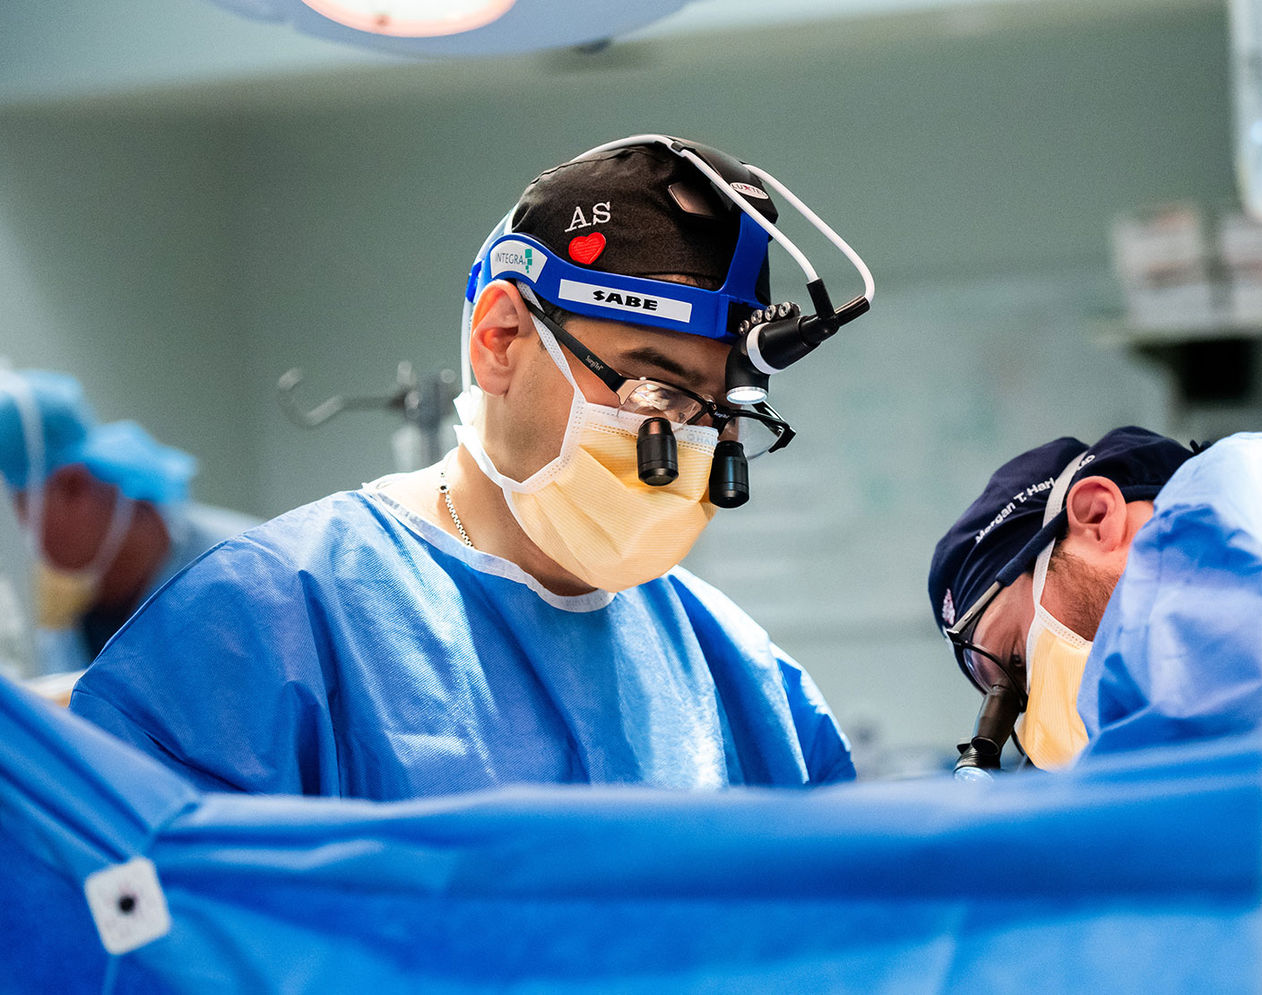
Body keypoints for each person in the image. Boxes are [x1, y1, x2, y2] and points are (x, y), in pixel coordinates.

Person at [69, 136, 861, 798]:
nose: (687, 443)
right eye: (655, 389)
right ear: (502, 338)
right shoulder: (271, 625)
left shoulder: (737, 671)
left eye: (718, 413)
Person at [928, 425, 1262, 771]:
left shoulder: (1245, 498)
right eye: (1021, 701)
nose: (1041, 719)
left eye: (1018, 658)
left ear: (1097, 516)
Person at [0, 368, 260, 683]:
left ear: (74, 487)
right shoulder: (79, 613)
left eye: (21, 503)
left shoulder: (246, 567)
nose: (22, 527)